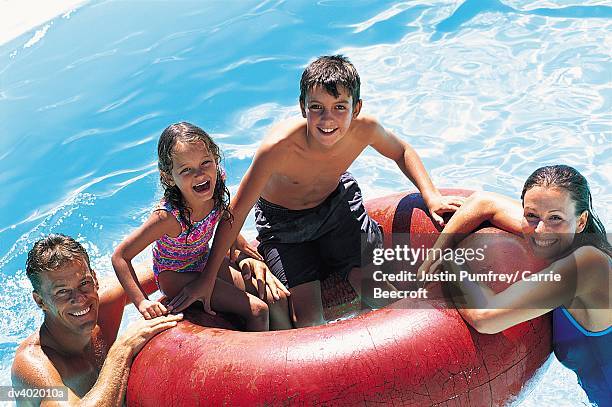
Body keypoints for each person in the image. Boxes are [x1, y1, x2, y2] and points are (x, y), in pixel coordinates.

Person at [166, 55, 463, 327]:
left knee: (376, 291)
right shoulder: (279, 148)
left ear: (356, 108)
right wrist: (207, 278)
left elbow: (401, 151)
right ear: (302, 107)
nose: (327, 119)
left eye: (339, 108)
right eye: (317, 108)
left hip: (337, 208)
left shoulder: (366, 128)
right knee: (308, 320)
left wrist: (431, 195)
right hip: (285, 226)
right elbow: (236, 212)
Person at [419, 165, 611, 406]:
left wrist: (452, 261)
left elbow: (486, 317)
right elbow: (483, 202)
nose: (541, 230)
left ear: (581, 221)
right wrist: (439, 247)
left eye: (555, 218)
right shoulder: (558, 236)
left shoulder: (587, 265)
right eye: (531, 215)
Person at [112, 122, 291, 331]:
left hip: (203, 261)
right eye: (186, 169)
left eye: (206, 162)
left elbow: (222, 212)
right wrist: (142, 302)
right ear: (168, 177)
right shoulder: (167, 218)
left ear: (216, 159)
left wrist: (238, 243)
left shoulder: (216, 182)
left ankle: (292, 349)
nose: (200, 174)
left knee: (275, 298)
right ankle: (264, 361)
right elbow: (120, 256)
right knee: (257, 310)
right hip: (176, 276)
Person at [11, 234, 183, 406]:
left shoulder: (106, 303)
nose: (79, 299)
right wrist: (122, 350)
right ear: (40, 301)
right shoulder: (33, 365)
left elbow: (171, 265)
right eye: (62, 291)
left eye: (84, 283)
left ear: (95, 279)